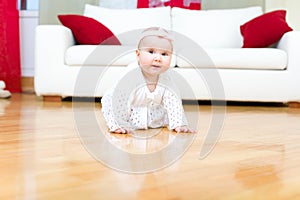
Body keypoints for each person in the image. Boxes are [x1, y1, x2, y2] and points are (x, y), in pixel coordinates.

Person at [101, 27, 195, 134]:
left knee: (169, 104)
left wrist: (179, 123)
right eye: (151, 52)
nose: (158, 58)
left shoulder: (166, 77)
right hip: (123, 107)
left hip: (152, 113)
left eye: (164, 54)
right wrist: (119, 123)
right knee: (113, 100)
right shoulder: (131, 76)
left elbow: (173, 100)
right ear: (138, 55)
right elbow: (120, 101)